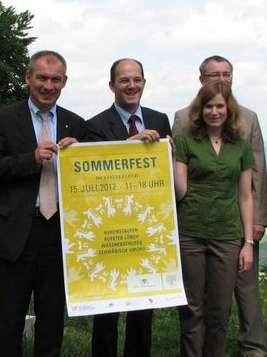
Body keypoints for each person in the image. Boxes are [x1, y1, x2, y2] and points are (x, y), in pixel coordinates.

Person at [0, 50, 86, 356]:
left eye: (55, 79)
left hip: (59, 232)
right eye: (41, 77)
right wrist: (30, 159)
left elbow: (93, 174)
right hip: (16, 231)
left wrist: (79, 155)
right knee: (11, 316)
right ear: (28, 78)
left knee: (52, 315)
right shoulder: (2, 119)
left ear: (64, 82)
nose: (48, 85)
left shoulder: (75, 124)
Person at [172, 55, 267, 356]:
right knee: (192, 307)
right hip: (191, 230)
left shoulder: (240, 141)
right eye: (209, 106)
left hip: (228, 232)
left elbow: (249, 190)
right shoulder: (185, 133)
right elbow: (180, 189)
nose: (215, 111)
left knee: (221, 308)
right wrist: (168, 156)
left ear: (229, 109)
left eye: (220, 106)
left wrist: (249, 238)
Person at [84, 58, 171, 357]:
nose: (131, 85)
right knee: (107, 308)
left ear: (144, 83)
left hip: (145, 226)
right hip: (109, 229)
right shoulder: (94, 125)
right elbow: (94, 174)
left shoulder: (160, 119)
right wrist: (132, 143)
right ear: (112, 86)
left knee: (143, 307)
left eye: (137, 79)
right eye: (124, 80)